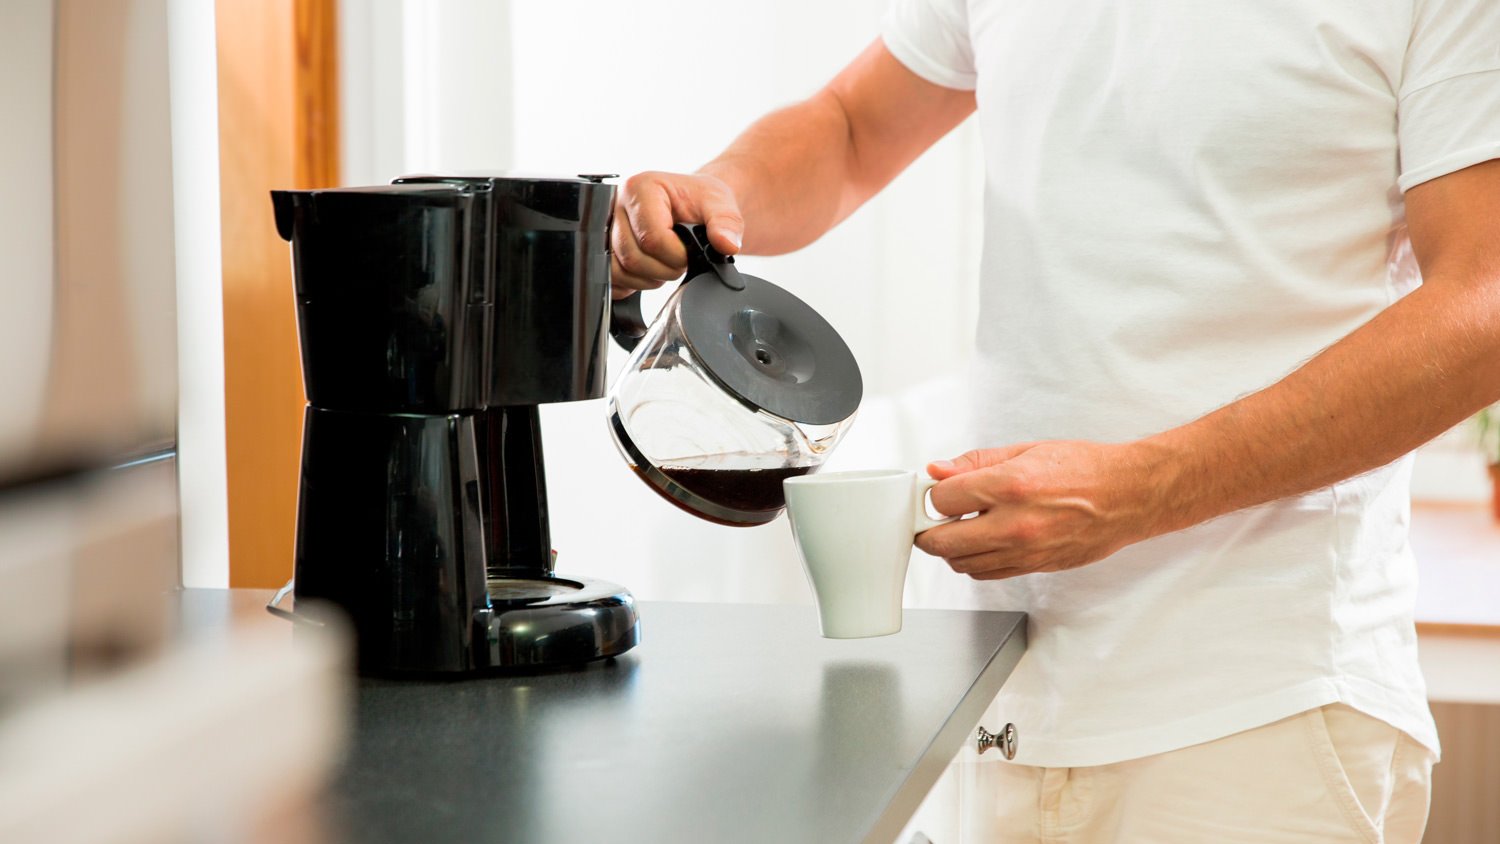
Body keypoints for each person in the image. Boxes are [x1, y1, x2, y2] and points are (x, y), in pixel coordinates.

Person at [610, 1, 1500, 840]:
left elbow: (1483, 304)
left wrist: (1145, 489)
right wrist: (717, 193)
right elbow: (852, 129)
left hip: (1260, 709)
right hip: (996, 698)